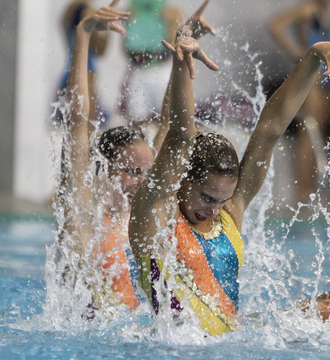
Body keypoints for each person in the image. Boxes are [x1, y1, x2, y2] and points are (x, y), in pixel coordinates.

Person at [128, 4, 330, 335]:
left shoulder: (229, 213)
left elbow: (270, 129)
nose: (215, 208)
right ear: (183, 178)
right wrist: (181, 58)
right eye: (207, 197)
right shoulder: (156, 217)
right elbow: (178, 138)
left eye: (222, 198)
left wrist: (313, 60)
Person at [59, 0, 214, 312]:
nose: (143, 181)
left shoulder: (152, 214)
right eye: (131, 171)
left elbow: (171, 123)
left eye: (147, 171)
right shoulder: (85, 218)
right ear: (101, 170)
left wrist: (181, 50)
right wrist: (83, 35)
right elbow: (77, 122)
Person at [268, 0, 330, 206]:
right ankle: (303, 193)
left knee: (317, 134)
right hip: (311, 78)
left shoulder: (327, 12)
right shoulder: (308, 9)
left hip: (323, 78)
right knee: (309, 134)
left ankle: (310, 191)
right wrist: (297, 52)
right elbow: (274, 25)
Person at [119, 0, 183, 124]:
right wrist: (127, 24)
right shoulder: (129, 12)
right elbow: (127, 50)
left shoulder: (171, 12)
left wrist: (172, 25)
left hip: (162, 69)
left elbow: (176, 50)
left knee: (166, 119)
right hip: (138, 70)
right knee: (136, 119)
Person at [57, 0, 109, 124]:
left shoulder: (68, 10)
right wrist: (106, 27)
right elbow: (100, 49)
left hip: (69, 72)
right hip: (86, 72)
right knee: (87, 126)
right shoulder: (88, 11)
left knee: (73, 128)